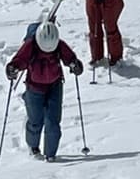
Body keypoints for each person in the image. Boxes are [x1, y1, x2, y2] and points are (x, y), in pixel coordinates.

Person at [5, 18, 83, 161]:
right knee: (35, 121)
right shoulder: (31, 45)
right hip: (34, 87)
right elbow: (21, 60)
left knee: (53, 122)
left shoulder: (59, 45)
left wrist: (75, 64)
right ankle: (33, 146)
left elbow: (69, 57)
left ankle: (50, 155)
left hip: (55, 86)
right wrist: (13, 67)